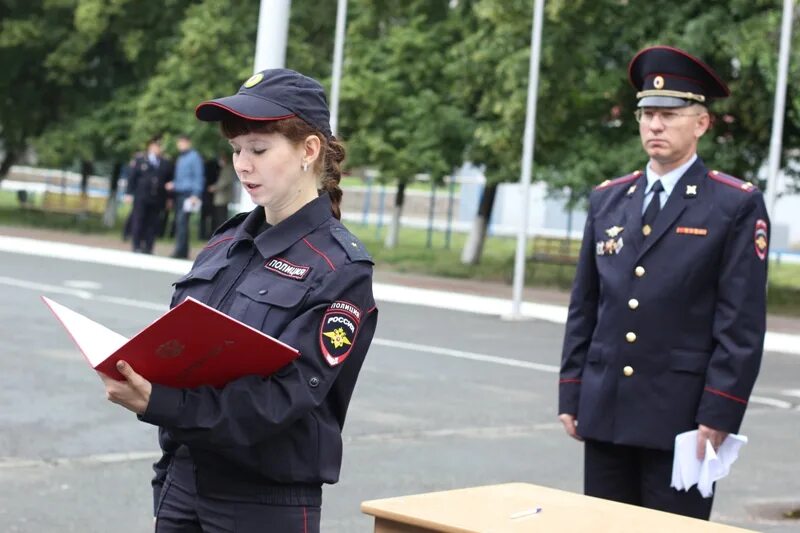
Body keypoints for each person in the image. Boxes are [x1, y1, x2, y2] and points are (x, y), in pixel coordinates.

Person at [98, 68, 378, 533]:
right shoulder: (226, 242)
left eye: (260, 150)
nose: (243, 165)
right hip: (185, 484)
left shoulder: (340, 268)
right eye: (236, 150)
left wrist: (160, 403)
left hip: (263, 502)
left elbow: (284, 397)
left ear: (309, 150)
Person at [558, 45, 769, 520]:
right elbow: (586, 307)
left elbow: (740, 325)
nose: (655, 125)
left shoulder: (733, 206)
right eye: (647, 114)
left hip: (682, 419)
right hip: (607, 407)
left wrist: (719, 414)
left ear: (701, 124)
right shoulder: (608, 200)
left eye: (670, 115)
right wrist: (572, 390)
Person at [124, 137, 173, 254]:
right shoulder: (141, 160)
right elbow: (132, 178)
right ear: (150, 147)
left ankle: (148, 246)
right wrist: (129, 193)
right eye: (156, 146)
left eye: (160, 147)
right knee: (139, 220)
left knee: (153, 222)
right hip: (141, 195)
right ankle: (136, 245)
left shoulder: (165, 162)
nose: (158, 149)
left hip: (157, 197)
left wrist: (169, 198)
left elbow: (169, 180)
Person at [167, 134, 204, 258]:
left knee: (182, 222)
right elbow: (182, 178)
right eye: (179, 142)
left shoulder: (194, 157)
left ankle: (179, 251)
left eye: (182, 142)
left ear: (188, 143)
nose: (180, 145)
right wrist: (174, 184)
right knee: (180, 223)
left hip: (188, 195)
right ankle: (183, 251)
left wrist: (195, 194)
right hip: (179, 193)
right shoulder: (181, 157)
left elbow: (198, 176)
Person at [208, 152, 236, 232]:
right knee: (219, 216)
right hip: (220, 197)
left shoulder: (227, 168)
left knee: (221, 217)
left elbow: (224, 182)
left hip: (223, 197)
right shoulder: (224, 168)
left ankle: (222, 232)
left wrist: (214, 187)